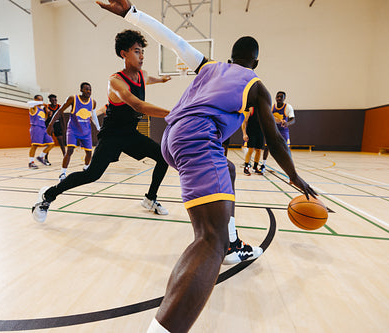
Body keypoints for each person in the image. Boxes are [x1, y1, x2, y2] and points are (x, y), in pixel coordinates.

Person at [96, 1, 317, 333]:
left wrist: (132, 14)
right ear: (256, 61)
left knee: (226, 171)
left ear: (230, 57)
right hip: (197, 138)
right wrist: (294, 176)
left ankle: (231, 243)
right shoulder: (256, 86)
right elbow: (274, 138)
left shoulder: (210, 67)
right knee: (207, 239)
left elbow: (175, 41)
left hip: (173, 136)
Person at [32, 29, 173, 221]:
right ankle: (48, 195)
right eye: (136, 51)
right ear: (124, 53)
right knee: (92, 174)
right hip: (112, 136)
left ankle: (150, 199)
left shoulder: (142, 75)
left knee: (163, 157)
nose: (141, 56)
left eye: (142, 52)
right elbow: (138, 105)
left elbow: (150, 79)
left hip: (130, 134)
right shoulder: (115, 81)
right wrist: (173, 113)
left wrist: (163, 79)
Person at [46, 83, 101, 181]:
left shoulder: (93, 102)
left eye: (90, 89)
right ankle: (62, 173)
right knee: (70, 150)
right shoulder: (73, 99)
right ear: (81, 90)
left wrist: (98, 128)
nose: (88, 91)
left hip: (86, 131)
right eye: (86, 89)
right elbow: (60, 111)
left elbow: (94, 116)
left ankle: (86, 168)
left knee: (89, 153)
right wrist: (51, 124)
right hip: (73, 130)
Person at [261, 91, 295, 170]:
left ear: (284, 98)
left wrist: (287, 123)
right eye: (278, 97)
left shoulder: (288, 107)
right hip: (273, 130)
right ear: (275, 97)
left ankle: (290, 168)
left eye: (281, 97)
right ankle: (263, 165)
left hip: (283, 131)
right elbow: (270, 117)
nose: (279, 98)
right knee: (267, 147)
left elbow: (293, 120)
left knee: (286, 148)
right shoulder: (272, 107)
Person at [27, 95, 54, 169]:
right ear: (35, 100)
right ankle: (31, 162)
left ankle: (41, 157)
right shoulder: (33, 108)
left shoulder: (42, 109)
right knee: (34, 145)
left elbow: (43, 119)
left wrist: (48, 114)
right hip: (36, 128)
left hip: (43, 128)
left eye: (41, 99)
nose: (40, 101)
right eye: (39, 99)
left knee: (51, 144)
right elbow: (29, 103)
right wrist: (42, 103)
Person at [242, 106, 265, 175]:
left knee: (259, 150)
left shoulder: (264, 109)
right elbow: (244, 122)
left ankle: (255, 167)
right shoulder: (252, 109)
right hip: (251, 132)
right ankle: (246, 167)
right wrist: (244, 134)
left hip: (260, 132)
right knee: (251, 150)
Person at [46, 94, 66, 158]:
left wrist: (64, 128)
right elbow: (45, 118)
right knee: (49, 143)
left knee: (61, 142)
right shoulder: (47, 107)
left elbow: (62, 117)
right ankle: (45, 157)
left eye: (55, 100)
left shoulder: (59, 106)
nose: (54, 101)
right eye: (53, 100)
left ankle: (65, 155)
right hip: (49, 125)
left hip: (57, 125)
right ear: (50, 101)